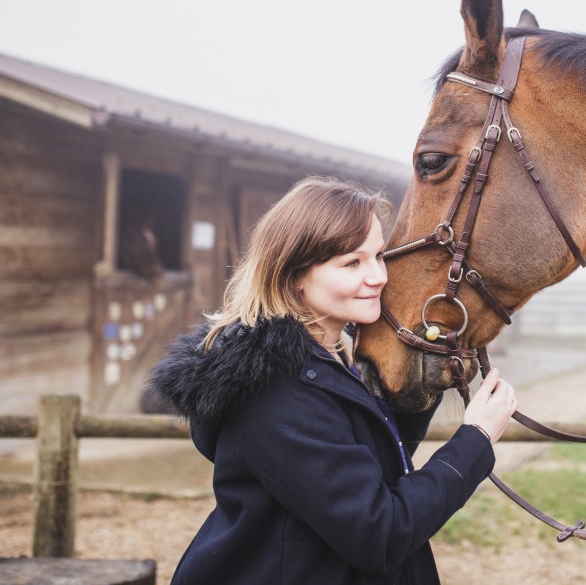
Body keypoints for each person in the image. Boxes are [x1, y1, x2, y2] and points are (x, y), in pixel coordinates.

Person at [148, 176, 516, 584]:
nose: (378, 276)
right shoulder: (276, 392)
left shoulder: (335, 356)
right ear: (295, 276)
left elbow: (370, 459)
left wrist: (427, 381)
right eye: (352, 263)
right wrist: (475, 440)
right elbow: (381, 533)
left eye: (378, 256)